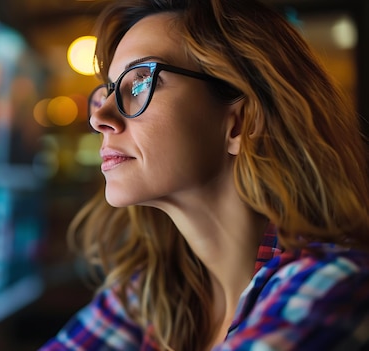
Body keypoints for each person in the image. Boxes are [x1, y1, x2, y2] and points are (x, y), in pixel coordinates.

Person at [40, 0, 369, 350]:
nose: (98, 118)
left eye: (139, 84)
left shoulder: (332, 286)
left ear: (241, 123)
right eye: (107, 92)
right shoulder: (150, 294)